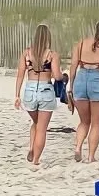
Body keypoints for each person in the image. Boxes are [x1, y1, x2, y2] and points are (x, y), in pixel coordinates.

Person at [12, 23, 62, 166]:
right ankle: (36, 160)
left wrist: (17, 95)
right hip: (45, 90)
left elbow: (20, 75)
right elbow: (57, 76)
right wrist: (61, 75)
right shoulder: (52, 55)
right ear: (48, 37)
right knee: (41, 128)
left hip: (29, 91)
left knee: (35, 122)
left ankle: (32, 147)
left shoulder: (26, 53)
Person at [69, 19, 99, 161]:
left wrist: (71, 87)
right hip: (98, 79)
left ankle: (78, 147)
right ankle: (91, 156)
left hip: (81, 79)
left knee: (84, 121)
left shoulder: (82, 43)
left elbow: (72, 66)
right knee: (96, 123)